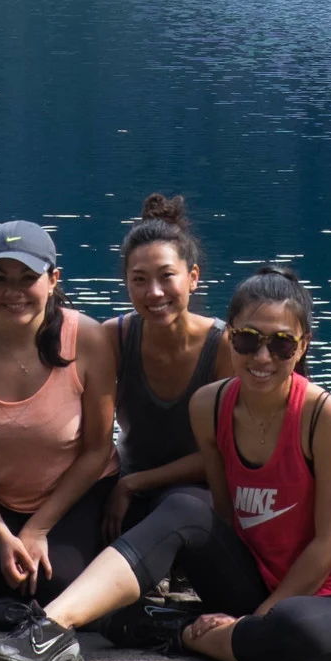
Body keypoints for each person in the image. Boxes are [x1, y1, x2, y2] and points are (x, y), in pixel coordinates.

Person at [0, 263, 331, 661]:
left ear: (302, 346)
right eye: (247, 339)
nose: (261, 357)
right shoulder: (211, 404)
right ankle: (49, 628)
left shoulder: (323, 415)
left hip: (327, 597)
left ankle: (180, 631)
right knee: (186, 507)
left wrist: (252, 622)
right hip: (252, 582)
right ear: (230, 336)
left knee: (294, 630)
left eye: (280, 345)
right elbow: (223, 514)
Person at [0, 221, 116, 603]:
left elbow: (97, 450)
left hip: (70, 492)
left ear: (53, 279)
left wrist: (37, 530)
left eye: (27, 278)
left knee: (57, 583)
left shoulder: (87, 338)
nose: (13, 292)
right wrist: (3, 535)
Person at [93, 193, 234, 542]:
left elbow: (223, 451)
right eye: (139, 280)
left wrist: (132, 484)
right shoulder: (114, 337)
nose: (154, 293)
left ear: (193, 277)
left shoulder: (223, 345)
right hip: (127, 477)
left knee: (177, 508)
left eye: (166, 276)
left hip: (193, 490)